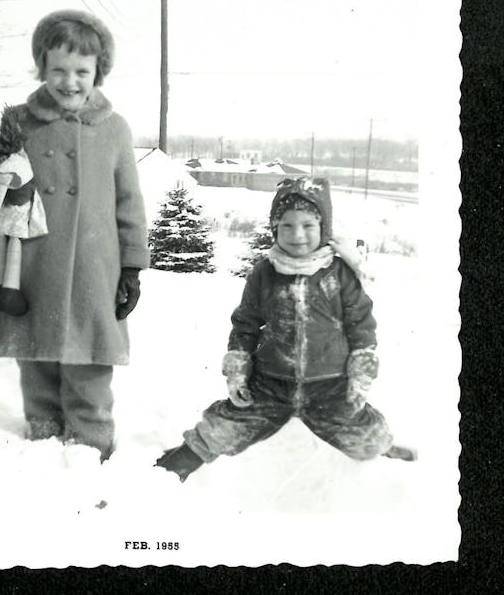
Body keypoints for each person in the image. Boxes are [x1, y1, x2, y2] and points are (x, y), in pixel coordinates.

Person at [155, 177, 414, 481]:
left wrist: (360, 375)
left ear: (323, 229)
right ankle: (173, 468)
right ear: (275, 229)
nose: (297, 235)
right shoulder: (265, 273)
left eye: (308, 225)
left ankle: (392, 459)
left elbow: (362, 327)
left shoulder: (339, 274)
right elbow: (245, 325)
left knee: (365, 434)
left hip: (329, 385)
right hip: (270, 384)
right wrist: (239, 370)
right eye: (287, 225)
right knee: (224, 427)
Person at [0, 9, 148, 460]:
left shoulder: (114, 128)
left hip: (95, 264)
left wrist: (131, 267)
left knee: (89, 357)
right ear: (42, 67)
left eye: (82, 72)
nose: (70, 82)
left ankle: (90, 443)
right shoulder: (19, 122)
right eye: (58, 70)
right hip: (30, 260)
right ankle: (44, 430)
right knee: (35, 353)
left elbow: (129, 200)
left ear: (99, 73)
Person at [0, 106, 50, 316]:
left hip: (9, 214)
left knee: (5, 243)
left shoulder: (9, 162)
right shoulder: (15, 164)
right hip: (15, 214)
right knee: (14, 246)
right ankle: (9, 289)